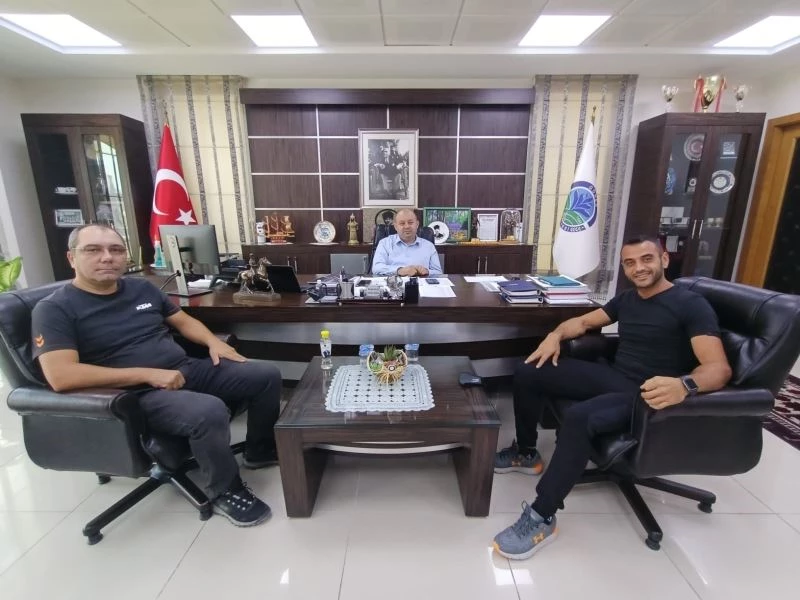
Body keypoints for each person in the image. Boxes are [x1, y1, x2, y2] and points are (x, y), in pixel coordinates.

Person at [492, 235, 732, 560]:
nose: (638, 268)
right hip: (616, 377)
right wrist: (555, 335)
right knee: (528, 370)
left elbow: (718, 369)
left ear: (664, 260)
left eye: (646, 259)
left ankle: (542, 516)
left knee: (579, 417)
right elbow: (583, 321)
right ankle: (525, 452)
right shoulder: (627, 299)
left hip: (647, 394)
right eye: (630, 263)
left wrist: (685, 385)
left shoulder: (690, 304)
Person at [31, 224, 281, 527]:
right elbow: (61, 375)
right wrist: (148, 374)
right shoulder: (54, 309)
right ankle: (225, 490)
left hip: (183, 368)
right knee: (209, 411)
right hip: (133, 394)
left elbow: (183, 321)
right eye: (93, 250)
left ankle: (259, 449)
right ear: (72, 258)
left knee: (265, 375)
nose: (107, 257)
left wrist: (213, 342)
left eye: (116, 250)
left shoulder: (141, 288)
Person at [371, 208, 442, 276]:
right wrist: (399, 270)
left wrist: (427, 271)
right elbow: (376, 268)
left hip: (420, 283)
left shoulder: (429, 246)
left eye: (410, 223)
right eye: (402, 223)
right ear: (395, 226)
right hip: (393, 282)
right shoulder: (385, 243)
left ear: (417, 224)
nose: (407, 226)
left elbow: (438, 272)